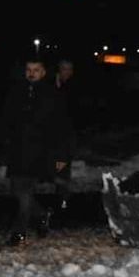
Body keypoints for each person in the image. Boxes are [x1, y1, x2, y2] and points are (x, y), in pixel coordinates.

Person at [0, 57, 72, 245]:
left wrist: (61, 157)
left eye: (36, 70)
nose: (31, 73)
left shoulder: (52, 95)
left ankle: (19, 232)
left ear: (43, 72)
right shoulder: (17, 92)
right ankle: (42, 214)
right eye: (29, 69)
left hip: (40, 151)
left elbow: (62, 128)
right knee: (16, 190)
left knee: (25, 192)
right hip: (17, 150)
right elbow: (5, 120)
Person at [53, 58, 80, 210]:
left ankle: (62, 197)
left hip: (65, 137)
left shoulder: (72, 87)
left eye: (70, 69)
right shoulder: (52, 86)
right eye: (64, 68)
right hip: (52, 135)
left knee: (62, 166)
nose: (67, 72)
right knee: (56, 166)